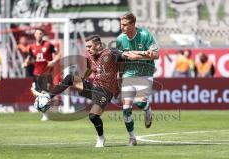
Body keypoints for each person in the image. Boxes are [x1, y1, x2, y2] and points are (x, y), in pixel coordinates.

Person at [32, 35, 119, 147]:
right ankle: (48, 96)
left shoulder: (109, 54)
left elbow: (125, 57)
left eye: (89, 46)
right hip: (94, 88)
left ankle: (101, 138)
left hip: (105, 92)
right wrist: (82, 79)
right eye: (86, 46)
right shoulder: (90, 56)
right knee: (70, 77)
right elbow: (89, 69)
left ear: (98, 45)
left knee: (93, 116)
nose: (87, 49)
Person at [116, 13, 159, 146]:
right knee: (126, 108)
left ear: (133, 25)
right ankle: (132, 137)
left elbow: (156, 55)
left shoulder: (145, 35)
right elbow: (120, 58)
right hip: (129, 73)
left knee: (140, 103)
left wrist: (137, 56)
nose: (122, 27)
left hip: (145, 72)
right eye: (121, 24)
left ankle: (148, 111)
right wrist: (120, 74)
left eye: (125, 25)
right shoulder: (120, 39)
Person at [22, 28, 60, 121]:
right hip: (36, 73)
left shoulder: (48, 45)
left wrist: (53, 61)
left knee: (44, 93)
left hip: (46, 73)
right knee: (37, 93)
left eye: (40, 33)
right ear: (34, 35)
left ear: (42, 35)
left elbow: (58, 54)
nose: (38, 35)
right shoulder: (32, 47)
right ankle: (43, 108)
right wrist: (25, 63)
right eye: (37, 33)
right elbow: (30, 57)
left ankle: (45, 114)